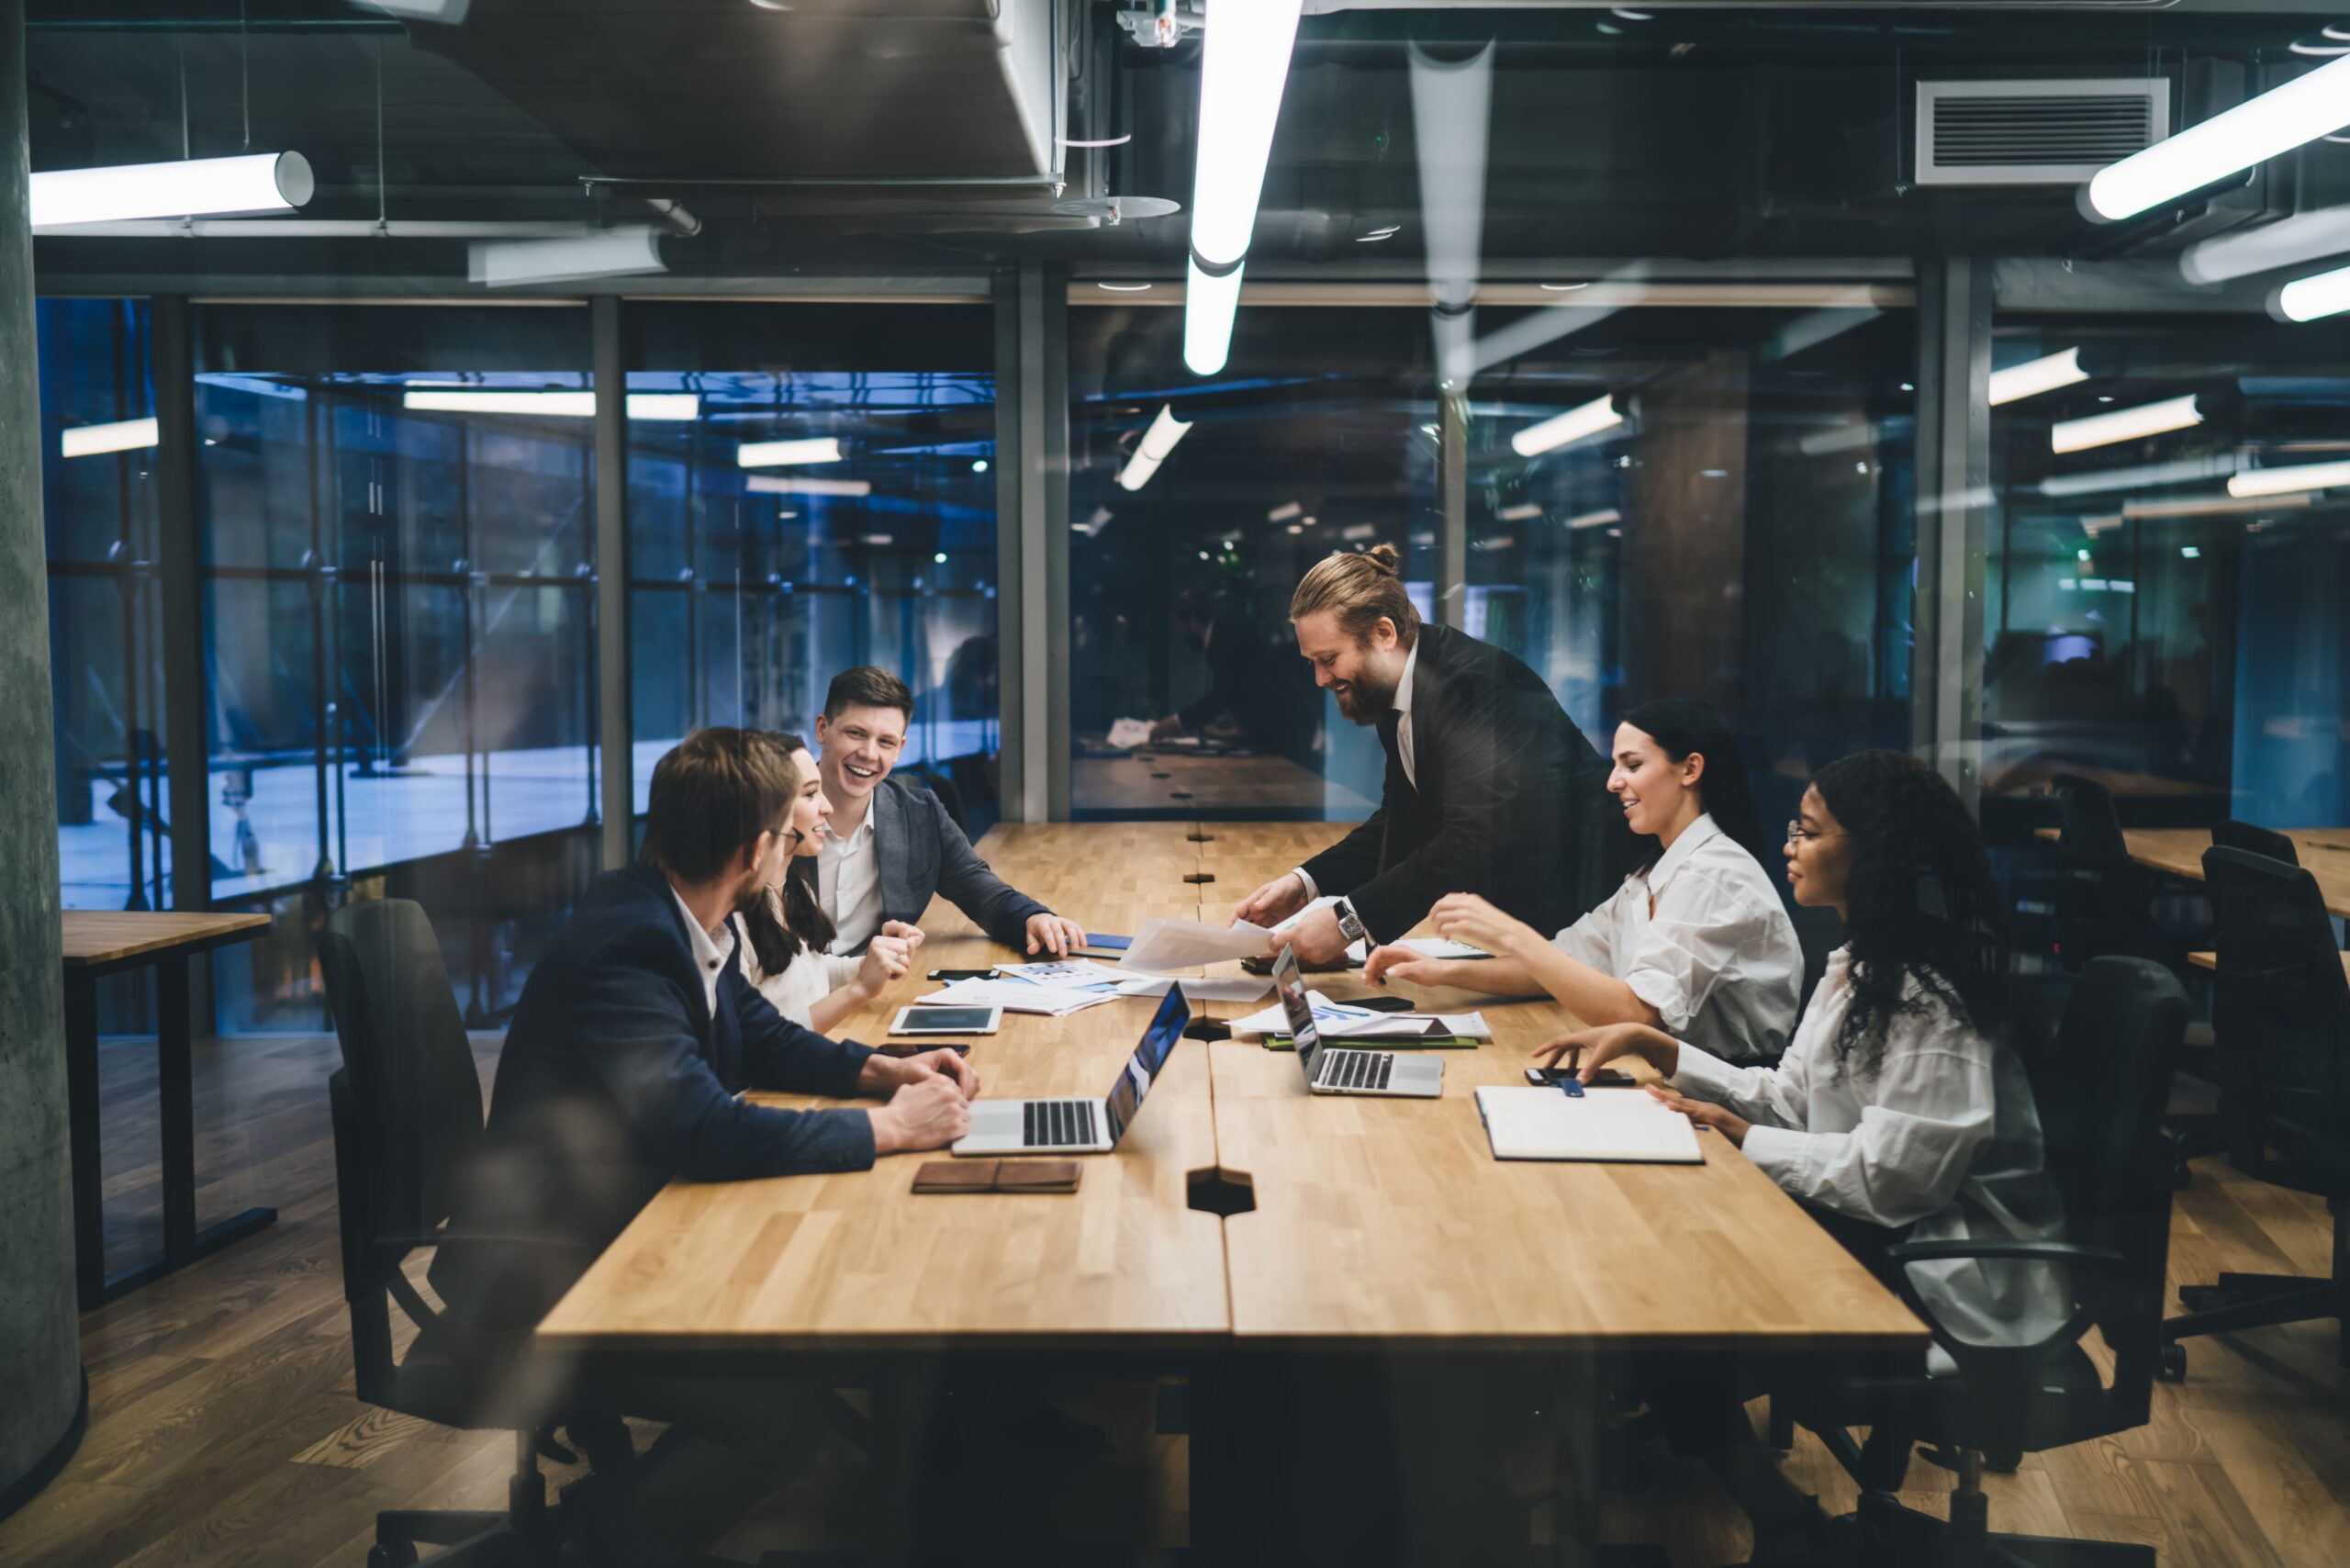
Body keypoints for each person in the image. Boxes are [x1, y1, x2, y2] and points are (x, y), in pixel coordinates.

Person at [1544, 749, 2065, 1558]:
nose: (1790, 842)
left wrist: (1742, 1138)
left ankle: (1784, 1523)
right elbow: (1794, 1095)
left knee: (1665, 1297)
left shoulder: (1931, 995)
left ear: (1874, 856)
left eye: (1812, 831)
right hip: (1885, 1228)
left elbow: (1896, 1180)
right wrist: (1661, 1049)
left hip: (1938, 1268)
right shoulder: (1863, 961)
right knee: (1657, 1264)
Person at [431, 726, 978, 1337]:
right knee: (796, 1380)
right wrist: (894, 1125)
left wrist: (888, 1070)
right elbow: (705, 1130)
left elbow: (766, 1037)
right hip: (558, 1273)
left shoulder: (688, 918)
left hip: (634, 1208)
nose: (792, 848)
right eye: (785, 836)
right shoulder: (631, 949)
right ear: (752, 853)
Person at [1230, 544, 1630, 966]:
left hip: (1587, 922)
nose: (1320, 679)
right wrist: (1305, 884)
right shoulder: (1393, 684)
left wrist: (1346, 922)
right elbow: (1403, 817)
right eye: (1312, 662)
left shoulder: (1470, 685)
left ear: (1384, 634)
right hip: (1524, 925)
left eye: (1328, 660)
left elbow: (1473, 838)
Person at [1362, 697, 1802, 1063]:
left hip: (1719, 1104)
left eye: (1632, 765)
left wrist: (1512, 935)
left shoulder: (1716, 875)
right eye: (1615, 765)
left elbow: (1639, 1014)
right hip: (1660, 1077)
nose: (1613, 782)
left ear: (1689, 770)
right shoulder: (1655, 871)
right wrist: (1442, 972)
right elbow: (1557, 967)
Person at [799, 666, 1090, 958]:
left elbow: (983, 893)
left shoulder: (920, 814)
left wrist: (1033, 917)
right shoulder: (772, 811)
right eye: (856, 733)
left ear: (899, 749)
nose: (869, 754)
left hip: (874, 987)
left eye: (885, 741)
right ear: (822, 729)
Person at [736, 730, 928, 1033]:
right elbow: (758, 1043)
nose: (827, 806)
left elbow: (805, 969)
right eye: (811, 794)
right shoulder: (731, 920)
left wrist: (867, 966)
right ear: (768, 808)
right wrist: (859, 990)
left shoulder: (795, 887)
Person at [1148, 588, 1265, 745]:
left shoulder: (1223, 640)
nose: (1182, 636)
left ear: (1193, 621)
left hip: (1272, 736)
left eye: (1181, 628)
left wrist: (1177, 722)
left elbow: (1222, 695)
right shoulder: (1221, 634)